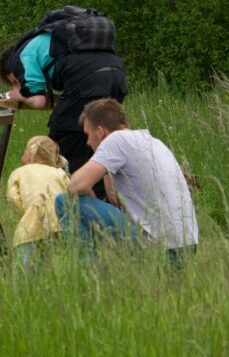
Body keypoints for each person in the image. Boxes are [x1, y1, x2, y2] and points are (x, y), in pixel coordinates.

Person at [0, 15, 127, 201]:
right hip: (116, 75)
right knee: (102, 142)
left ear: (12, 70)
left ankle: (71, 205)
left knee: (63, 141)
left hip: (87, 79)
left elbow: (38, 101)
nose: (19, 84)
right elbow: (65, 95)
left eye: (15, 81)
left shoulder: (23, 57)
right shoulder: (50, 41)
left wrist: (18, 94)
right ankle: (106, 203)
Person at [57, 98, 198, 263]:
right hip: (186, 248)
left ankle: (89, 272)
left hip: (157, 247)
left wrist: (87, 192)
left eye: (88, 135)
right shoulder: (152, 141)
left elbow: (75, 186)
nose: (88, 142)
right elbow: (115, 199)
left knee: (63, 201)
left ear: (100, 131)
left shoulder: (116, 140)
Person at [6, 136, 70, 265]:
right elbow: (70, 195)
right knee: (55, 262)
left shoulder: (19, 172)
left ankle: (22, 283)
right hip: (59, 222)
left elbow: (13, 198)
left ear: (29, 155)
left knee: (25, 261)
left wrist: (26, 213)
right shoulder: (59, 172)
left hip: (31, 222)